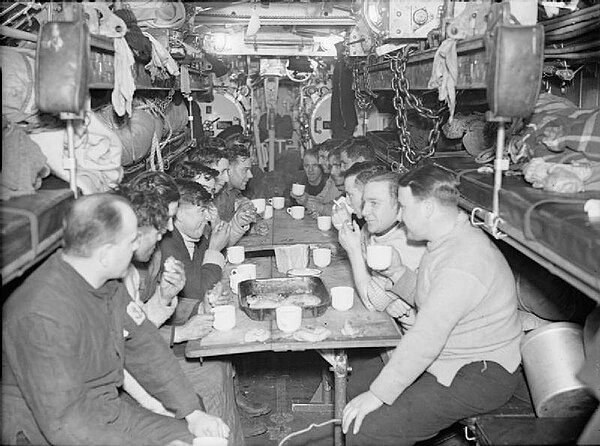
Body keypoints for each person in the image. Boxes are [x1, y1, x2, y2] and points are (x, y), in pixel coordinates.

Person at [1, 193, 229, 445]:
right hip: (43, 431)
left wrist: (192, 412)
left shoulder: (105, 283)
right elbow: (66, 424)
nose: (136, 247)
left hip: (106, 409)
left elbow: (146, 347)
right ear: (106, 254)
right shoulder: (42, 314)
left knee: (194, 434)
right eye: (131, 241)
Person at [342, 165, 523, 445]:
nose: (400, 215)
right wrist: (399, 273)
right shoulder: (448, 239)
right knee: (358, 387)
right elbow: (432, 299)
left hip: (479, 373)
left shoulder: (463, 260)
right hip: (452, 358)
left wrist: (378, 395)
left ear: (427, 208)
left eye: (403, 206)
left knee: (368, 428)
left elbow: (427, 337)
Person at [116, 184, 245, 446]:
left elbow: (136, 326)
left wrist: (175, 301)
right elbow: (124, 348)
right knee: (210, 375)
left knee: (214, 372)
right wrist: (182, 412)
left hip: (136, 370)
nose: (169, 229)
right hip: (113, 395)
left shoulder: (132, 266)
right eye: (163, 221)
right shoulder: (125, 272)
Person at [160, 180, 270, 435]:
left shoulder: (188, 234)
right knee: (216, 364)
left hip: (178, 320)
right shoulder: (169, 244)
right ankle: (225, 429)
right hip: (169, 338)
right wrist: (213, 250)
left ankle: (231, 423)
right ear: (177, 213)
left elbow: (194, 289)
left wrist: (200, 306)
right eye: (201, 209)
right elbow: (196, 287)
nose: (209, 214)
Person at [338, 171, 426, 321]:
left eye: (374, 203)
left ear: (400, 207)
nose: (365, 211)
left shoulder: (406, 242)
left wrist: (354, 250)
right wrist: (388, 301)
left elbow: (371, 303)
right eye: (364, 203)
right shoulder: (373, 228)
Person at [290, 149, 341, 218]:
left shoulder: (334, 179)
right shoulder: (299, 180)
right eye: (307, 166)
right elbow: (322, 199)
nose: (310, 170)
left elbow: (328, 203)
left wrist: (307, 200)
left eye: (315, 165)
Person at [214, 144, 254, 223]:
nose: (250, 175)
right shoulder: (217, 196)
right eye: (245, 170)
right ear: (229, 169)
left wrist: (254, 227)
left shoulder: (233, 192)